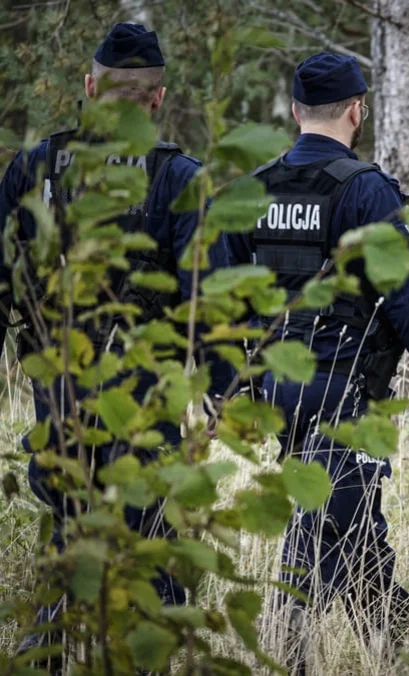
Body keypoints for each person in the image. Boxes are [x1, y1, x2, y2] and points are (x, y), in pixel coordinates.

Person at [222, 52, 409, 672]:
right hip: (339, 390)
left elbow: (216, 299)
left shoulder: (253, 190)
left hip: (272, 388)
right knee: (325, 522)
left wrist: (228, 391)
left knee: (353, 526)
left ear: (298, 112)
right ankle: (285, 647)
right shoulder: (364, 189)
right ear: (358, 111)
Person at [0, 23, 228, 665]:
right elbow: (204, 296)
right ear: (157, 99)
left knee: (68, 542)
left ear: (90, 86)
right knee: (146, 548)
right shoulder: (178, 177)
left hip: (59, 393)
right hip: (145, 395)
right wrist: (217, 393)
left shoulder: (36, 166)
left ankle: (41, 658)